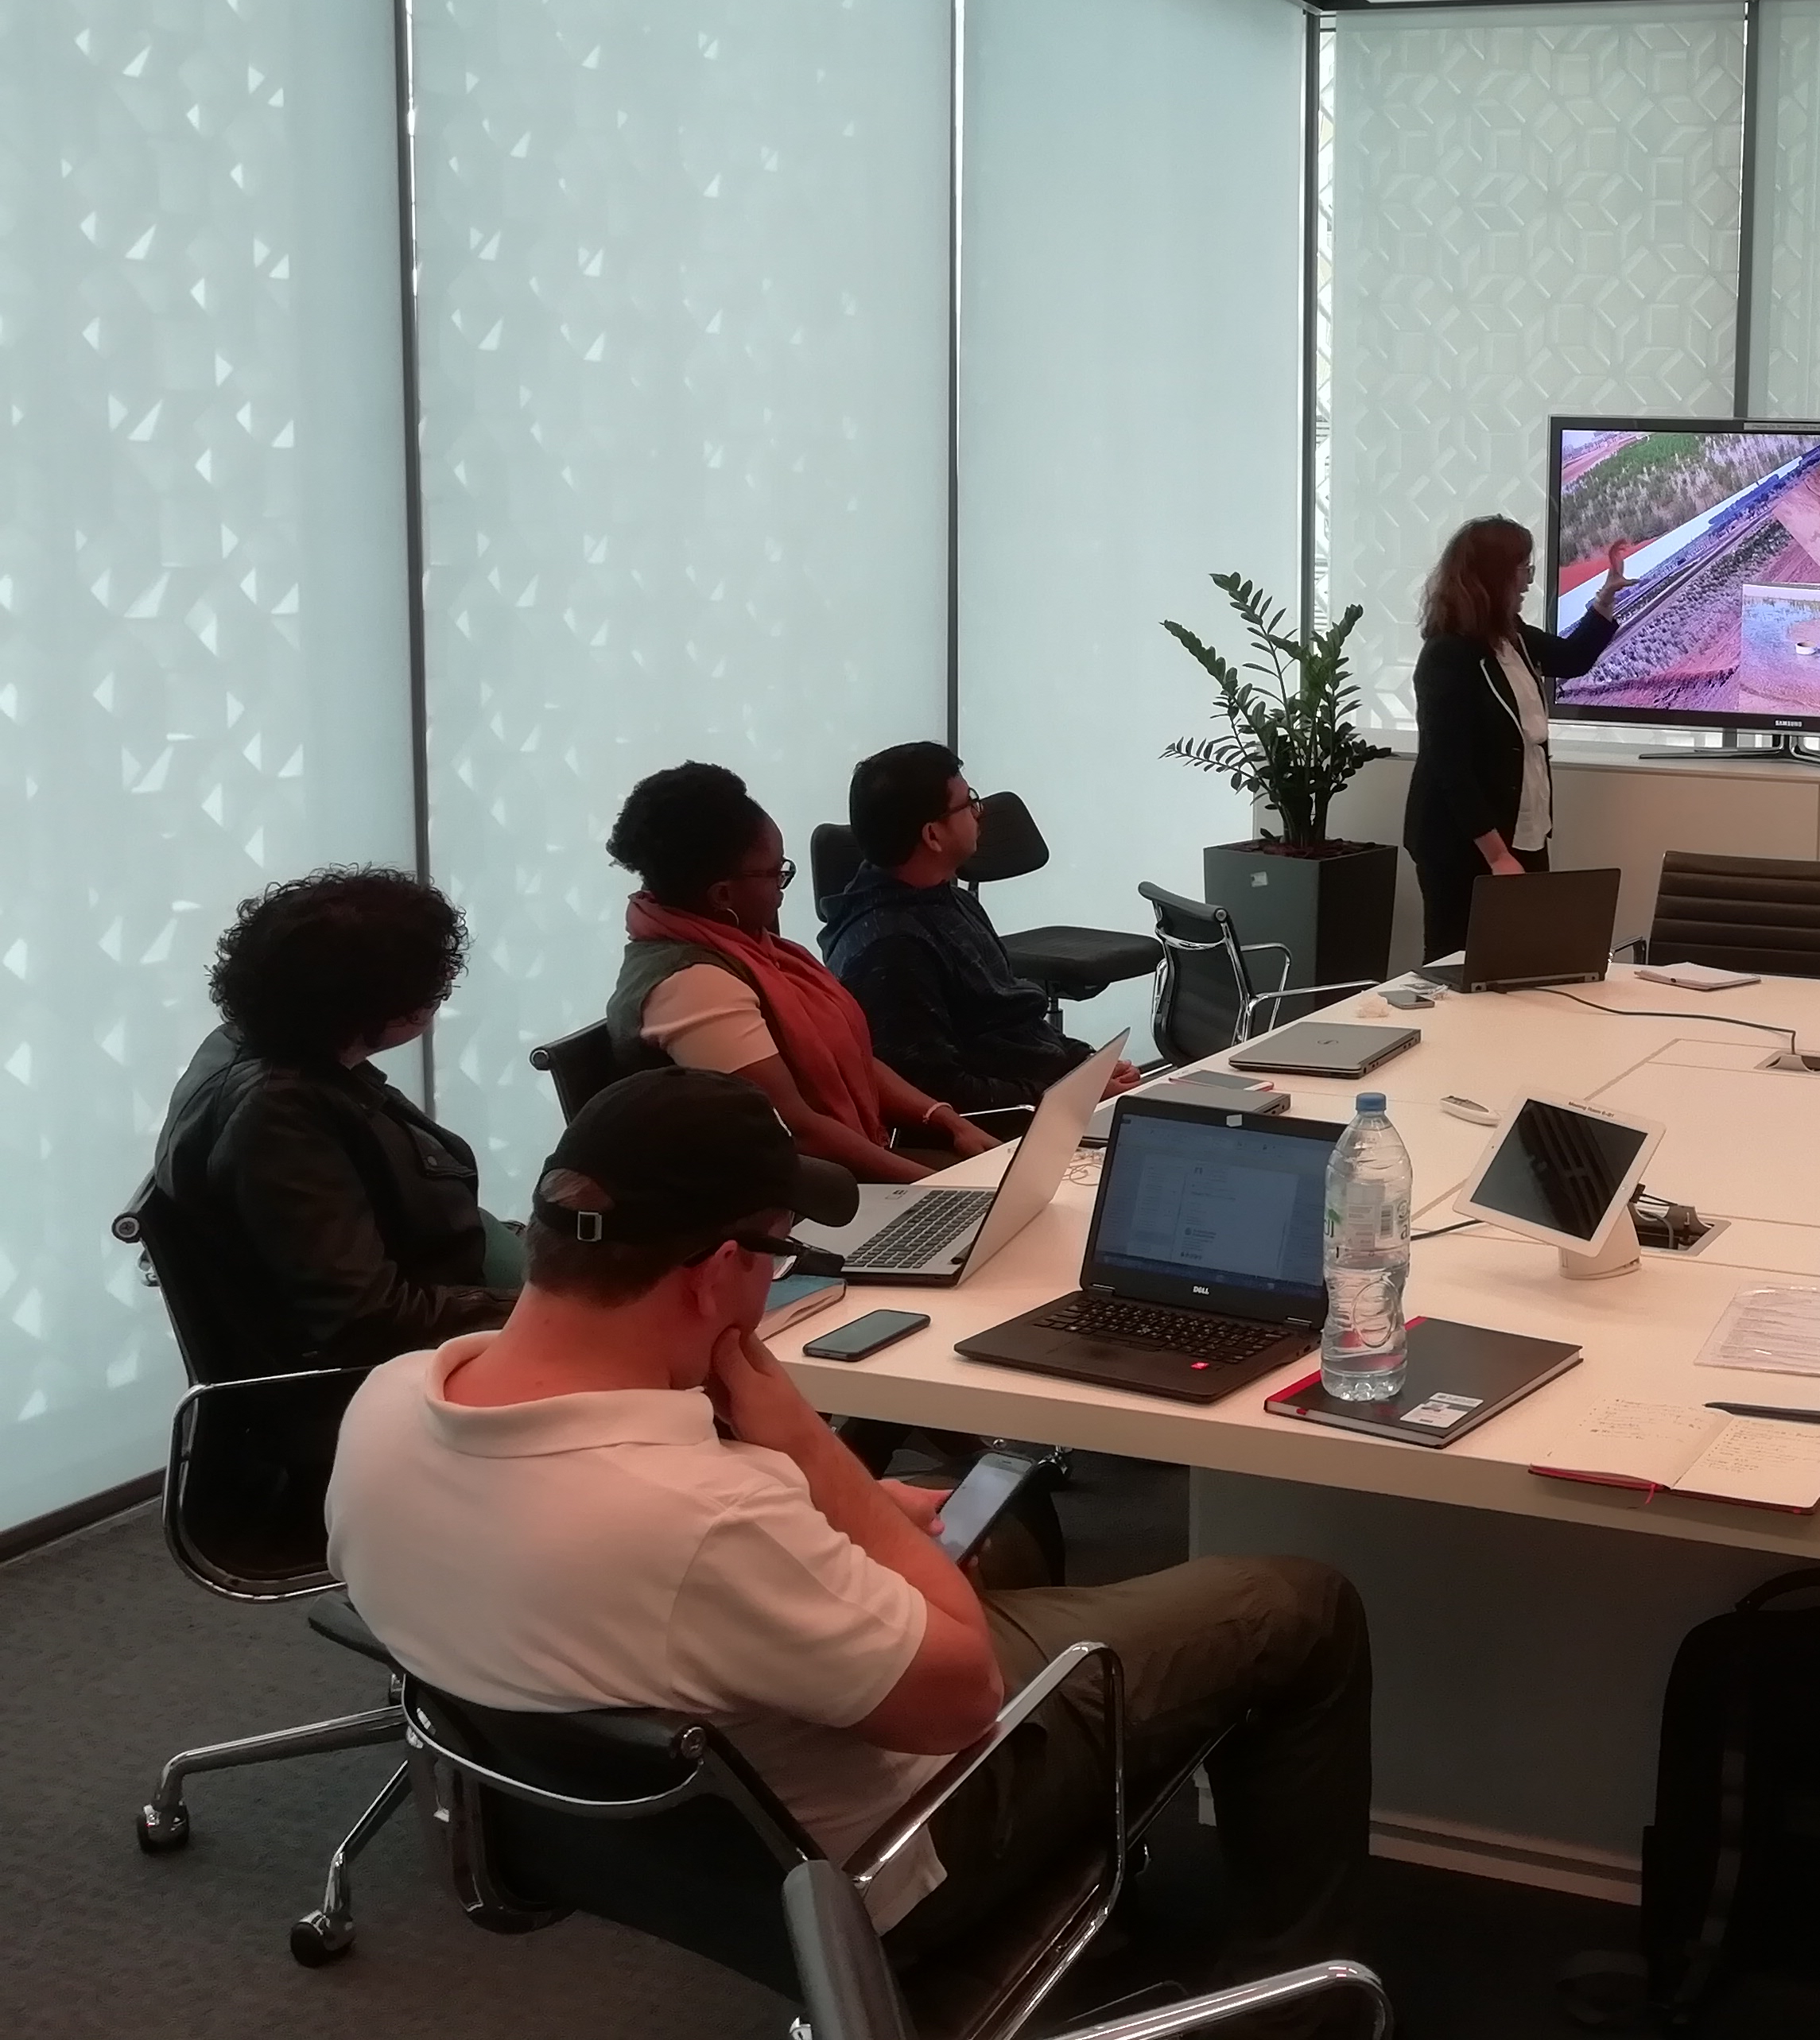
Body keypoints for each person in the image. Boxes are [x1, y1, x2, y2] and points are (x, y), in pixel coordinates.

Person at [327, 1067, 1371, 1968]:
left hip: (605, 1841)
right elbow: (961, 1702)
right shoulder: (707, 1520)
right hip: (889, 1858)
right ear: (713, 1274)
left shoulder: (386, 1408)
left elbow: (618, 1528)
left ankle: (1102, 1853)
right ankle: (1291, 2002)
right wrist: (809, 1447)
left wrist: (847, 1509)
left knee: (982, 1532)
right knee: (1298, 1602)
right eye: (777, 1250)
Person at [149, 867, 518, 1377]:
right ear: (377, 1005)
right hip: (379, 1381)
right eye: (435, 987)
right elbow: (369, 1321)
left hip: (451, 1275)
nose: (437, 998)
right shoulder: (277, 1118)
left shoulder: (268, 1044)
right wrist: (542, 1311)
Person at [603, 761, 993, 1184]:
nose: (782, 888)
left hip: (840, 1166)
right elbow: (797, 1132)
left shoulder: (748, 945)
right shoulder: (692, 985)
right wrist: (937, 1188)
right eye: (776, 874)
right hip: (780, 1200)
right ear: (722, 895)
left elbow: (850, 1057)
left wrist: (946, 1120)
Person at [820, 743, 1126, 1115]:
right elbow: (939, 1094)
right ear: (933, 835)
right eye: (969, 803)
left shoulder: (947, 898)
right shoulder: (891, 949)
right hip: (1007, 1125)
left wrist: (1085, 1063)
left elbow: (1011, 1016)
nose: (980, 813)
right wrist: (1067, 1096)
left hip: (1044, 1090)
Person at [1403, 516, 1626, 963]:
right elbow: (1452, 769)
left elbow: (1574, 658)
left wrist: (1605, 597)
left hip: (1523, 831)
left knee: (1520, 958)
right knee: (1458, 964)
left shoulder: (1511, 634)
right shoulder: (1448, 654)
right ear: (1492, 575)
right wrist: (1497, 857)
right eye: (1523, 568)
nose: (1528, 580)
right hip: (1465, 844)